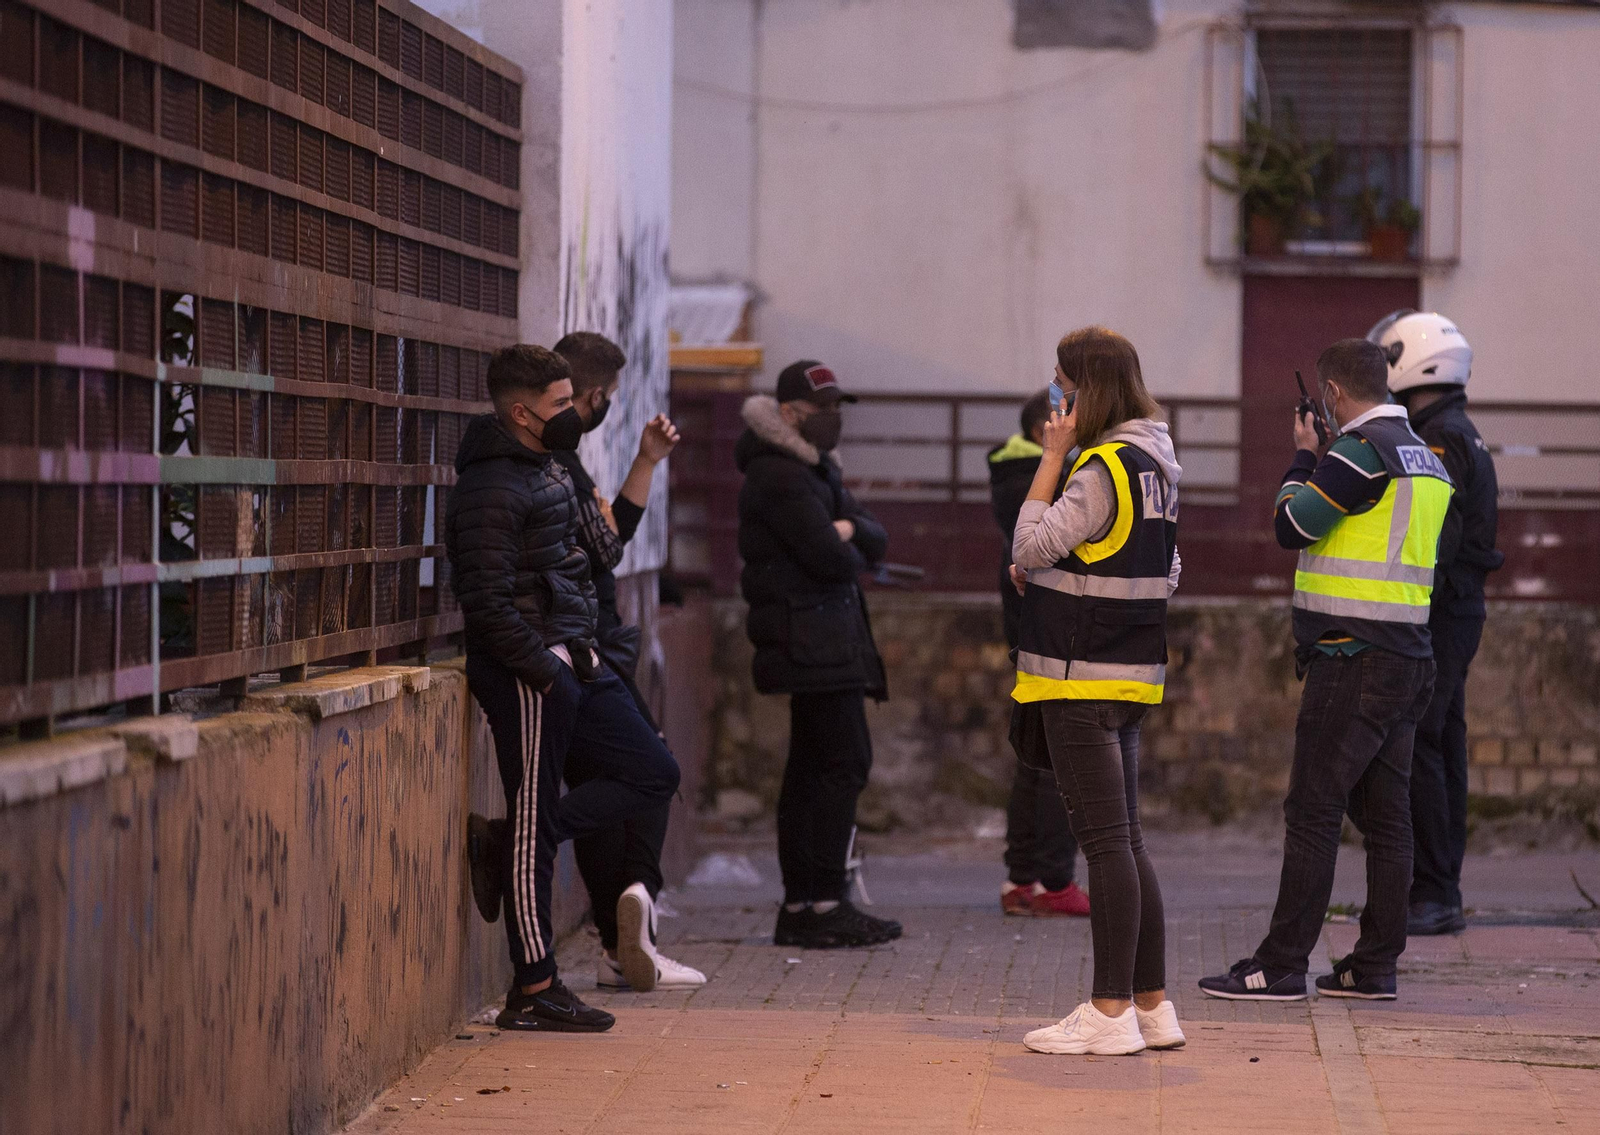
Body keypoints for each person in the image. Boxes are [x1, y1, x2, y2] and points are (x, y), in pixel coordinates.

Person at [1199, 338, 1450, 1004]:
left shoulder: (1356, 453)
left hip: (1351, 657)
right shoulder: (1427, 458)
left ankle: (1280, 964)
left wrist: (1304, 455)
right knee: (1387, 817)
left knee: (1312, 808)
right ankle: (1374, 965)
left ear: (1333, 394)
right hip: (1408, 655)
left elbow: (1292, 524)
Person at [446, 344, 680, 1032]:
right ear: (521, 412)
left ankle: (517, 835)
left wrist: (642, 465)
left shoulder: (552, 468)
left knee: (653, 771)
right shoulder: (489, 488)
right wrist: (546, 671)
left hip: (581, 655)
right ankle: (535, 984)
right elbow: (485, 604)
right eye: (558, 404)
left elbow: (603, 551)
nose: (573, 414)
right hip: (532, 670)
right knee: (535, 809)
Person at [1013, 326, 1186, 1057]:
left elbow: (1026, 548)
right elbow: (1169, 569)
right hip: (1131, 673)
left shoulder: (1099, 467)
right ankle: (1151, 1005)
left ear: (1089, 389)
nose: (1056, 399)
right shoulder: (1158, 463)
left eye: (1062, 384)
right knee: (1128, 842)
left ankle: (1109, 1009)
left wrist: (1050, 459)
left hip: (1076, 674)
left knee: (1106, 845)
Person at [735, 360, 903, 949]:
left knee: (815, 769)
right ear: (787, 414)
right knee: (839, 763)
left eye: (837, 408)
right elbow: (827, 557)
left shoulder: (815, 471)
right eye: (821, 409)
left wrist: (850, 530)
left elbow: (870, 534)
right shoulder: (779, 475)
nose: (832, 420)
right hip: (808, 640)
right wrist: (848, 537)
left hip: (823, 636)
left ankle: (806, 904)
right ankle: (821, 902)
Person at [1368, 312, 1503, 937]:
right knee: (1442, 743)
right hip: (1458, 611)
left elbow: (1437, 543)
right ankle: (1439, 888)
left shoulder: (1441, 440)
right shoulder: (1455, 430)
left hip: (1443, 612)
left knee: (1421, 742)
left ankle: (1433, 890)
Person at [989, 390, 1088, 918]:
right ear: (1042, 430)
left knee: (1033, 759)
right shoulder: (1040, 475)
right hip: (1048, 629)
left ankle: (1021, 878)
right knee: (1053, 762)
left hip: (1030, 627)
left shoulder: (1016, 474)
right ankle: (1053, 879)